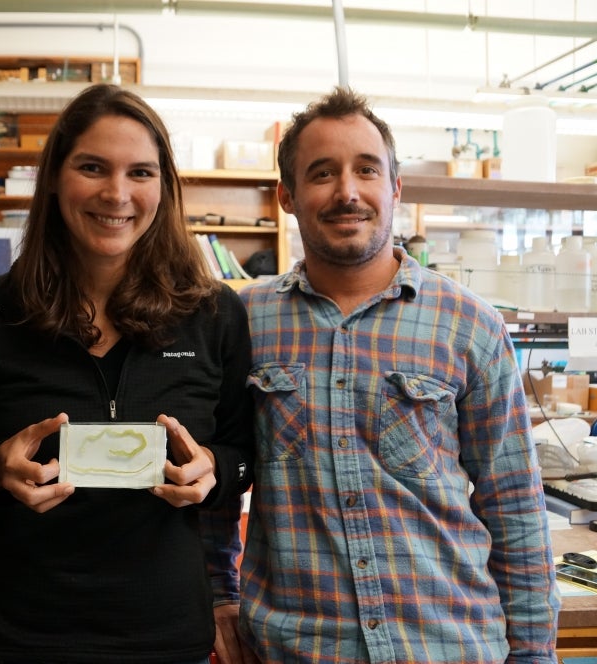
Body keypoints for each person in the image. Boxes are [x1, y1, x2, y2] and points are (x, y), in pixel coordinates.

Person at [215, 86, 560, 663]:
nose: (347, 192)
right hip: (298, 650)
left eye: (366, 170)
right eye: (321, 173)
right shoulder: (244, 323)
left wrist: (533, 654)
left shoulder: (470, 324)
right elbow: (217, 481)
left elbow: (515, 508)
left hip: (449, 646)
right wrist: (217, 592)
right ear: (287, 197)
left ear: (394, 188)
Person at [0, 83, 254, 664]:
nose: (117, 194)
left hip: (163, 637)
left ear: (165, 187)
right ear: (54, 177)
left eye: (140, 173)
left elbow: (242, 451)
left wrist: (214, 471)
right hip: (4, 637)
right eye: (92, 167)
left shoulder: (213, 315)